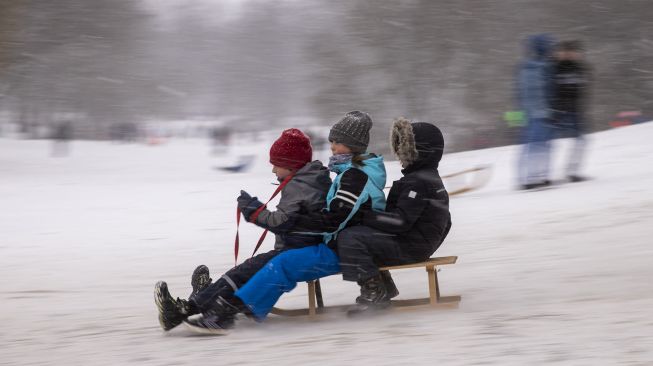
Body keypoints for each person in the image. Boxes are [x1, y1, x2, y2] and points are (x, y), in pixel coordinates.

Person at [183, 110, 388, 334]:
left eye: (337, 142)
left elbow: (334, 220)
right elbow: (336, 217)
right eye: (331, 141)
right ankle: (223, 305)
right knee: (279, 261)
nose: (332, 147)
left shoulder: (355, 176)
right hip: (343, 245)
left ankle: (229, 312)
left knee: (283, 264)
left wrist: (288, 221)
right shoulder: (350, 172)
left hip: (347, 250)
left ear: (353, 145)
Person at [154, 128, 332, 331]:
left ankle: (193, 307)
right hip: (297, 246)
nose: (273, 170)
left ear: (291, 165)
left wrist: (253, 210)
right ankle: (196, 302)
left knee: (244, 272)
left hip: (297, 249)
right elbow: (294, 219)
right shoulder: (309, 180)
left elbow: (281, 222)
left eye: (276, 164)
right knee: (244, 271)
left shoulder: (300, 185)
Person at [337, 118, 452, 314]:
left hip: (411, 246)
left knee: (350, 237)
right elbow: (446, 221)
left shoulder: (418, 182)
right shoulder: (425, 177)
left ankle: (375, 293)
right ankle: (383, 287)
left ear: (419, 151)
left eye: (403, 147)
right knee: (361, 233)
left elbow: (399, 221)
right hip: (416, 243)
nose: (399, 153)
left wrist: (364, 215)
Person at [516, 33, 556, 190]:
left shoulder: (527, 67)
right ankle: (531, 177)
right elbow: (520, 93)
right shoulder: (543, 67)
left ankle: (540, 175)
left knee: (540, 146)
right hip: (538, 114)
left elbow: (518, 93)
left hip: (538, 114)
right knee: (537, 146)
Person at [551, 40, 591, 182]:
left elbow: (581, 89)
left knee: (581, 140)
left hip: (574, 109)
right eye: (565, 52)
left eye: (572, 52)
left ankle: (573, 171)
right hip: (557, 110)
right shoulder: (553, 68)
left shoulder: (579, 68)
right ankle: (544, 174)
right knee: (550, 142)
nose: (569, 54)